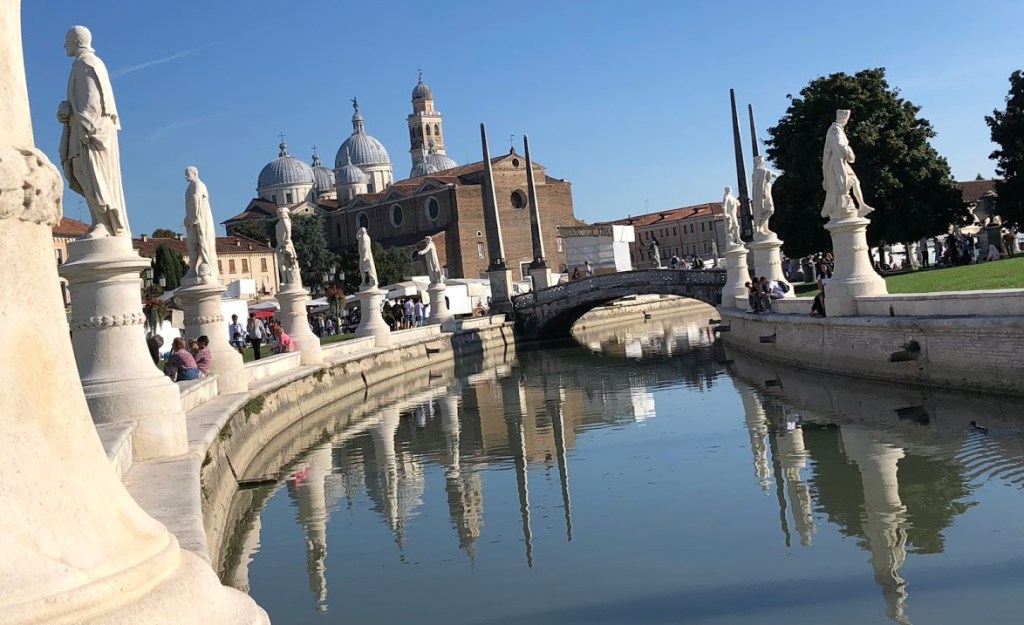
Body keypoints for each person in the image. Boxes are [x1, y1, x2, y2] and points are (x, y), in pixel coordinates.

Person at [57, 25, 130, 239]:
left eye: (67, 41)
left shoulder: (89, 64)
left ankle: (104, 223)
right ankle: (98, 220)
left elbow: (93, 101)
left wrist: (82, 120)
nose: (64, 45)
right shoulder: (79, 65)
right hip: (80, 129)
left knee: (94, 175)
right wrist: (66, 111)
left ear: (77, 42)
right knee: (81, 172)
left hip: (91, 132)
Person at [821, 109, 873, 220]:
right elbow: (839, 145)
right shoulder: (835, 130)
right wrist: (849, 153)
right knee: (845, 184)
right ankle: (850, 204)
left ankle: (861, 204)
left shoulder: (836, 129)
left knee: (854, 181)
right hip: (836, 163)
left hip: (840, 161)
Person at [182, 166, 218, 284]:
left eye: (188, 173)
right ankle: (192, 270)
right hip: (192, 219)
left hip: (200, 219)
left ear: (194, 173)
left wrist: (192, 218)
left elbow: (196, 200)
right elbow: (191, 203)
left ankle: (207, 266)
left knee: (203, 243)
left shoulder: (199, 185)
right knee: (192, 244)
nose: (186, 175)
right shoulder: (190, 186)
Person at [751, 156, 779, 239]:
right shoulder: (761, 171)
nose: (762, 163)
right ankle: (760, 227)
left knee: (768, 211)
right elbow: (776, 175)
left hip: (766, 193)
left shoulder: (757, 172)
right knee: (769, 210)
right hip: (763, 195)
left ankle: (763, 228)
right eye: (761, 161)